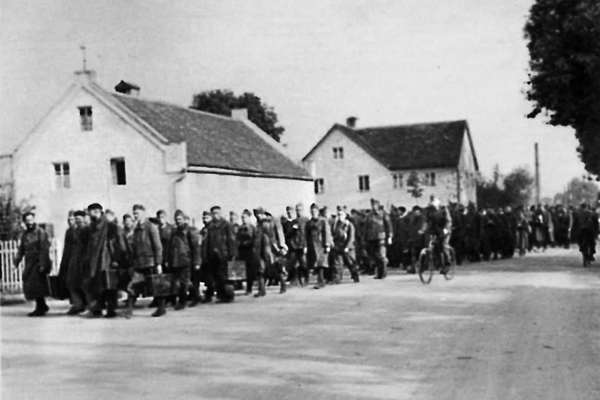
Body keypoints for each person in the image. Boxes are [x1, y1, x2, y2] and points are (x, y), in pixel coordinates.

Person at [82, 203, 127, 318]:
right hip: (93, 262)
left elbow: (120, 245)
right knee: (95, 286)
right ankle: (97, 309)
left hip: (107, 260)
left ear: (99, 212)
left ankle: (111, 309)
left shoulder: (112, 227)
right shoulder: (89, 229)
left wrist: (117, 259)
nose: (91, 214)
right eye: (90, 212)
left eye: (93, 211)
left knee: (109, 285)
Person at [125, 204, 163, 318]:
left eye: (137, 213)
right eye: (134, 213)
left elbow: (158, 246)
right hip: (139, 263)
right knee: (132, 286)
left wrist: (158, 263)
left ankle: (161, 308)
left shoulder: (151, 227)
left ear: (143, 213)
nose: (135, 216)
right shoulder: (135, 229)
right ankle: (129, 310)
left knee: (155, 286)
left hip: (150, 262)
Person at [13, 212, 51, 317]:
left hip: (38, 261)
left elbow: (44, 248)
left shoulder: (41, 232)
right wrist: (16, 262)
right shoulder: (25, 234)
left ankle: (40, 308)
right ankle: (42, 305)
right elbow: (21, 250)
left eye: (31, 220)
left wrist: (43, 264)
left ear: (34, 220)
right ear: (24, 221)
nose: (29, 222)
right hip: (29, 262)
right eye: (27, 220)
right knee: (30, 284)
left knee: (38, 285)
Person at [166, 210, 201, 311]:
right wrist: (168, 260)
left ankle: (182, 302)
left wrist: (197, 261)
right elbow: (170, 247)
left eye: (180, 219)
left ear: (184, 219)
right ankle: (196, 297)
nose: (178, 221)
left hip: (186, 260)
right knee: (184, 282)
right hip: (176, 261)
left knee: (184, 282)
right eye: (176, 219)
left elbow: (195, 247)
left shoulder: (190, 231)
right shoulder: (174, 232)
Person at [202, 205, 235, 303]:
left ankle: (228, 296)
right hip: (212, 256)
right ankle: (220, 295)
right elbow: (206, 242)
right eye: (214, 213)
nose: (216, 215)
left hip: (224, 254)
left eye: (217, 213)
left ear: (220, 213)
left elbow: (231, 240)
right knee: (216, 276)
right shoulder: (210, 226)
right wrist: (205, 255)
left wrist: (232, 253)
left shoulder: (226, 225)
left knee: (224, 276)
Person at [58, 210, 87, 315]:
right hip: (72, 260)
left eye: (74, 219)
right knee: (71, 283)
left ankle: (85, 304)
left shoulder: (86, 229)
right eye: (69, 219)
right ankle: (78, 304)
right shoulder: (70, 231)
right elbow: (67, 248)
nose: (72, 221)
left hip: (83, 260)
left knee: (83, 283)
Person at [305, 203, 332, 289]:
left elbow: (327, 232)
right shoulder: (309, 223)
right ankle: (322, 280)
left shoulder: (323, 221)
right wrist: (306, 245)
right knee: (316, 264)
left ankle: (321, 281)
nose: (313, 213)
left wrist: (327, 244)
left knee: (321, 264)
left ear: (318, 212)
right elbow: (306, 235)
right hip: (312, 245)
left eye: (315, 211)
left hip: (321, 244)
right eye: (312, 211)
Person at [364, 199, 392, 279]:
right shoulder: (369, 215)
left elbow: (389, 225)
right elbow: (366, 227)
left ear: (378, 205)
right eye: (372, 205)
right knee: (375, 256)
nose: (373, 206)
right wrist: (365, 237)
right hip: (371, 238)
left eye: (375, 205)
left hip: (381, 237)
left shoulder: (383, 214)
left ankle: (383, 273)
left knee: (381, 255)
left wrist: (390, 236)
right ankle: (379, 273)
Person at [331, 206, 359, 283]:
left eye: (341, 214)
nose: (340, 216)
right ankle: (337, 278)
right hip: (338, 246)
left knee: (351, 263)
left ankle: (355, 276)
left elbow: (351, 237)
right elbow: (333, 234)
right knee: (338, 263)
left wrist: (347, 247)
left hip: (348, 247)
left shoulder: (349, 225)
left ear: (345, 215)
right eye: (338, 214)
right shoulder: (335, 224)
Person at [189, 211, 212, 306]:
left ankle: (209, 295)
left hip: (210, 256)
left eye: (206, 217)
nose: (204, 220)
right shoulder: (203, 230)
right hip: (203, 256)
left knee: (209, 278)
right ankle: (202, 295)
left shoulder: (212, 229)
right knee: (204, 278)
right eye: (204, 218)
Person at [284, 203, 309, 286]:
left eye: (300, 210)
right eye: (297, 210)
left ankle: (306, 279)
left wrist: (306, 245)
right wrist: (293, 229)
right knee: (293, 263)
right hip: (295, 246)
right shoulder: (294, 221)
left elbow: (307, 234)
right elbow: (288, 234)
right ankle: (295, 280)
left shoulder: (306, 220)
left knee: (304, 263)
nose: (299, 212)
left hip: (303, 245)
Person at [236, 209, 260, 295]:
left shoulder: (253, 228)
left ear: (249, 218)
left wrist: (249, 244)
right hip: (242, 251)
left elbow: (255, 240)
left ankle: (249, 288)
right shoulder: (240, 228)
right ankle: (241, 286)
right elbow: (237, 239)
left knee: (250, 270)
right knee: (243, 270)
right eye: (242, 217)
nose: (243, 219)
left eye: (245, 217)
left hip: (250, 251)